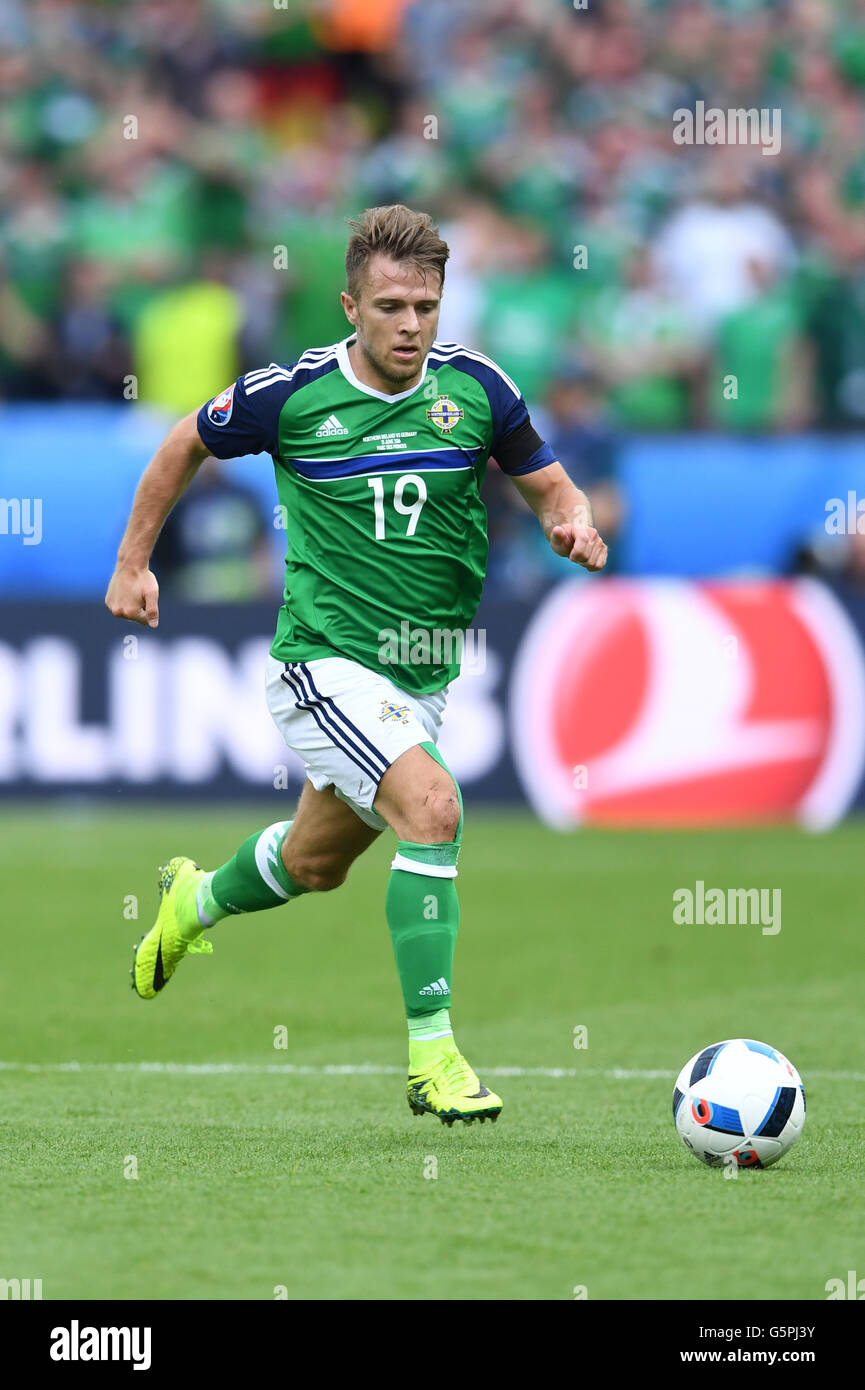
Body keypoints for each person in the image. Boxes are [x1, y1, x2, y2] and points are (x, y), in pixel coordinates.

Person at [105, 204, 607, 1126]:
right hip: (322, 665)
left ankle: (193, 903)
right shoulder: (290, 396)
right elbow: (181, 444)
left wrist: (568, 520)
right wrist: (134, 563)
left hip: (419, 678)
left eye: (425, 305)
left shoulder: (478, 391)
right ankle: (434, 1058)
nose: (410, 325)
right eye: (389, 307)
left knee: (312, 863)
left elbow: (545, 480)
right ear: (348, 306)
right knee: (435, 807)